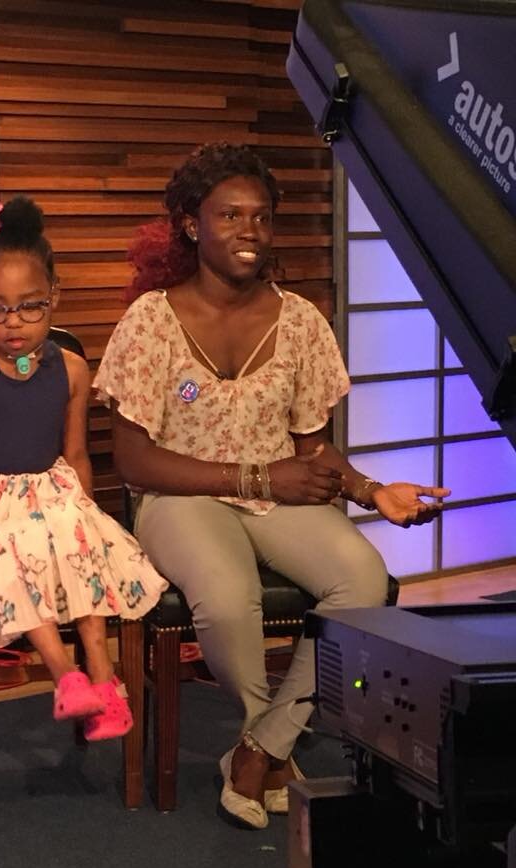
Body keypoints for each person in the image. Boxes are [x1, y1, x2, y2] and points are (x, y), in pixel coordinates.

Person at [93, 143, 450, 826]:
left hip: (280, 494)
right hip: (179, 497)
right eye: (229, 215)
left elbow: (313, 447)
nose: (248, 230)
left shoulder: (302, 322)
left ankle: (260, 748)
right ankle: (274, 744)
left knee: (363, 579)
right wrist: (260, 474)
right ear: (193, 225)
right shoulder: (149, 322)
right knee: (228, 600)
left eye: (260, 217)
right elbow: (134, 462)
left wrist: (371, 491)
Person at [0, 196, 168, 742]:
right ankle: (64, 674)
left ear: (55, 296)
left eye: (30, 307)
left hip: (45, 489)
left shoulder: (71, 367)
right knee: (14, 542)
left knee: (78, 542)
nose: (13, 323)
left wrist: (86, 514)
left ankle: (101, 674)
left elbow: (74, 454)